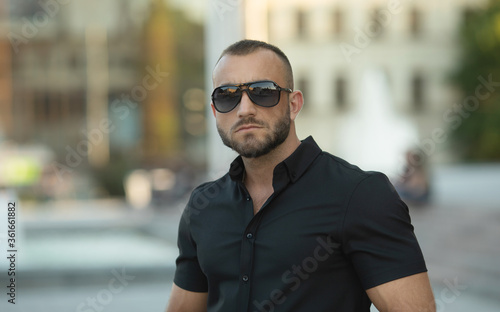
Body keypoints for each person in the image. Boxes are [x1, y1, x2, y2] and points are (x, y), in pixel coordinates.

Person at [166, 39, 435, 312]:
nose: (244, 109)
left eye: (263, 91)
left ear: (294, 105)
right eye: (227, 95)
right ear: (214, 111)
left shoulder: (360, 195)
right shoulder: (203, 207)